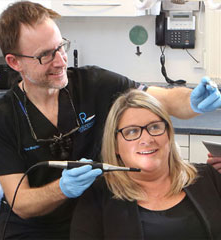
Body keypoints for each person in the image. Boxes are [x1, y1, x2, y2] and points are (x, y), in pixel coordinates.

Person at [0, 1, 221, 239]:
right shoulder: (0, 118)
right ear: (15, 62)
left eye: (60, 47)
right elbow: (21, 203)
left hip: (98, 212)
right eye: (45, 55)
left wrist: (192, 101)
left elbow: (163, 100)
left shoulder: (95, 83)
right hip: (35, 228)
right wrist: (62, 188)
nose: (60, 61)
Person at [71, 89, 221, 240]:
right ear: (115, 145)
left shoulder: (209, 177)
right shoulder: (97, 196)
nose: (147, 139)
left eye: (155, 127)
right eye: (132, 131)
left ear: (168, 134)